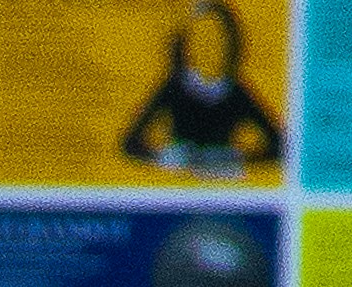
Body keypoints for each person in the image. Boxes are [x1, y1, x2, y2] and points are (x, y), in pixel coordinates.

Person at [118, 2, 286, 169]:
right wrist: (165, 157)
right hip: (178, 182)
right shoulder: (175, 88)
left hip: (222, 184)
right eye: (201, 40)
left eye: (215, 41)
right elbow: (131, 143)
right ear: (187, 45)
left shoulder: (235, 93)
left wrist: (236, 157)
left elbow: (279, 145)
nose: (208, 48)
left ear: (230, 46)